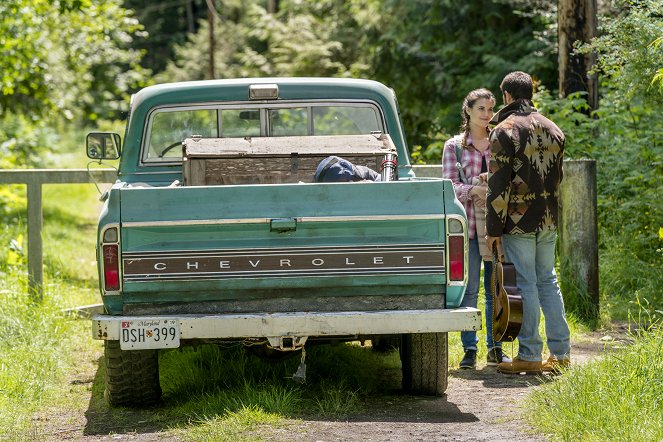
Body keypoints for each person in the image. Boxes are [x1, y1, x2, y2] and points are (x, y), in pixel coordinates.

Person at [485, 71, 571, 374]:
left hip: (518, 221)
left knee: (526, 284)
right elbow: (557, 177)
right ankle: (561, 354)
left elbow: (499, 185)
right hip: (548, 216)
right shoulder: (553, 128)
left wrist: (493, 230)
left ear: (507, 96)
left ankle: (531, 355)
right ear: (529, 93)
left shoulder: (505, 130)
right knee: (548, 280)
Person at [442, 88, 511, 369]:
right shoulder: (455, 146)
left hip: (497, 228)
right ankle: (469, 349)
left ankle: (495, 348)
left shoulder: (500, 141)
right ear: (468, 110)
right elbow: (448, 187)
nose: (487, 115)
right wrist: (475, 190)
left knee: (496, 289)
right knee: (469, 291)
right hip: (468, 229)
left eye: (490, 109)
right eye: (481, 108)